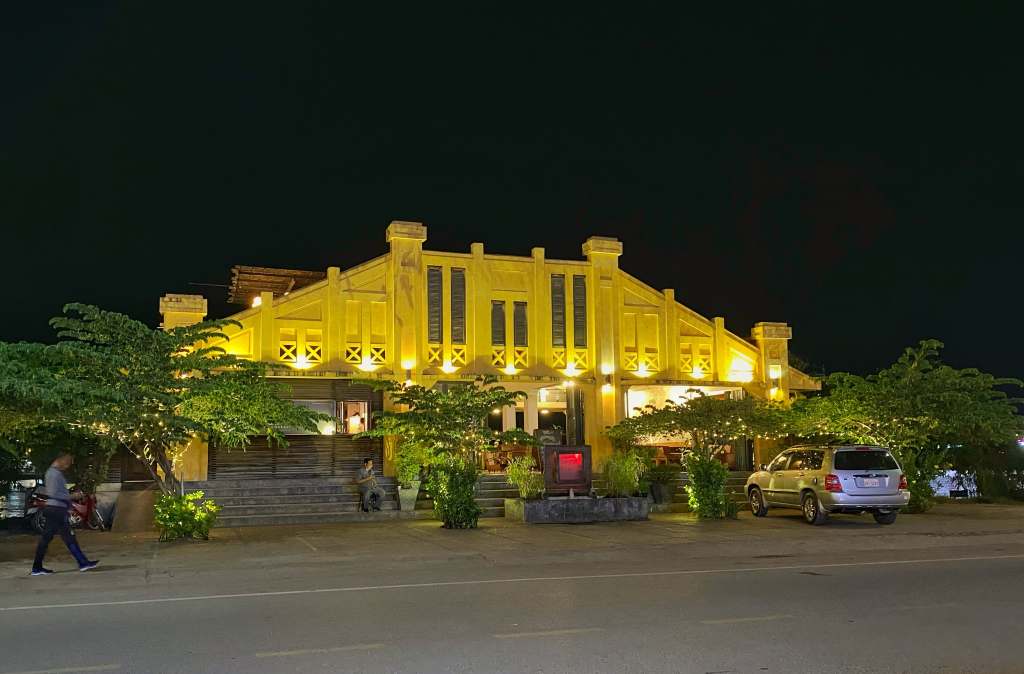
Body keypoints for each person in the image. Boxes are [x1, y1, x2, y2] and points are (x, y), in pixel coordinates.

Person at [31, 452, 100, 576]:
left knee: (62, 537)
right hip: (56, 510)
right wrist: (72, 496)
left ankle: (82, 562)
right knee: (58, 538)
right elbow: (53, 493)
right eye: (68, 460)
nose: (69, 464)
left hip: (57, 509)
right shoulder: (53, 474)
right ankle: (37, 567)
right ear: (60, 459)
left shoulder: (55, 473)